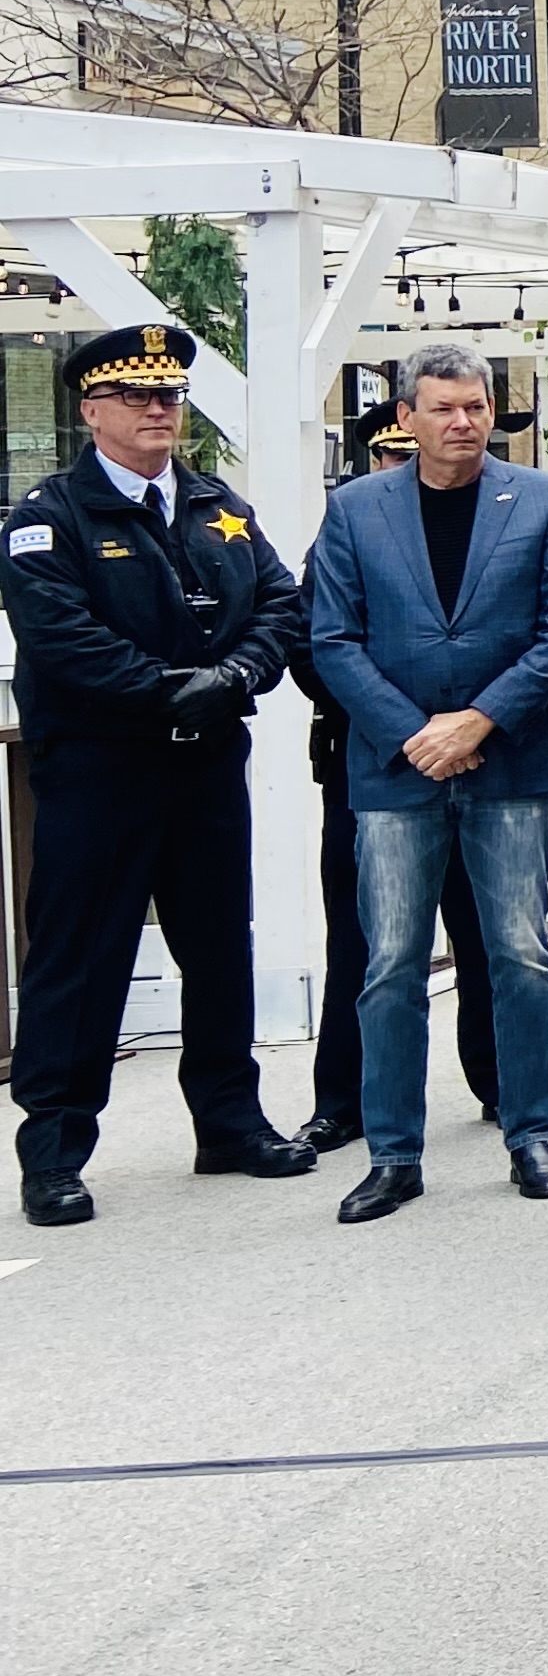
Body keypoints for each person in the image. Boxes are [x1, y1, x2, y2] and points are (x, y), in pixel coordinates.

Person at [7, 325, 312, 1226]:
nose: (157, 410)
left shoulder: (217, 505)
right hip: (103, 773)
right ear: (91, 411)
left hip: (207, 766)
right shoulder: (47, 517)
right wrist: (172, 693)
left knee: (219, 948)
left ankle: (228, 1123)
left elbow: (282, 605)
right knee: (80, 960)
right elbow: (63, 640)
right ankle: (55, 1152)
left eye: (170, 396)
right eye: (137, 397)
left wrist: (235, 680)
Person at [307, 342, 548, 1225]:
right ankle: (393, 1154)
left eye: (474, 406)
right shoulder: (355, 511)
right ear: (406, 418)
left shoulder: (544, 500)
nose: (463, 422)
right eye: (443, 408)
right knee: (389, 963)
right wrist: (414, 734)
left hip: (509, 761)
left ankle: (529, 1132)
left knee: (519, 953)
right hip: (395, 773)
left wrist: (478, 721)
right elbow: (331, 639)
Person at [293, 419, 499, 1153]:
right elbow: (313, 643)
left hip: (479, 758)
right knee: (364, 942)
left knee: (487, 933)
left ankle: (503, 1085)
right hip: (373, 762)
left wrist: (462, 730)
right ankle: (344, 1101)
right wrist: (411, 731)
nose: (408, 467)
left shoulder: (491, 520)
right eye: (394, 455)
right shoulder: (350, 528)